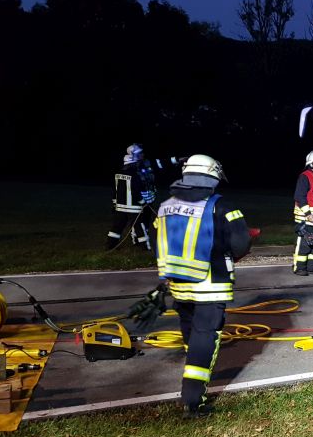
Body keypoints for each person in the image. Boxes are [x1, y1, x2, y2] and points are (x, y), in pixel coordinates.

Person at [153, 154, 251, 417]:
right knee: (204, 340)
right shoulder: (222, 206)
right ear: (212, 177)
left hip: (178, 285)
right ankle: (193, 400)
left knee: (191, 338)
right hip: (211, 285)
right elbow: (241, 244)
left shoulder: (165, 206)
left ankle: (193, 380)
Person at [106, 143, 159, 250]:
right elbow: (136, 191)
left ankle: (110, 246)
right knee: (140, 226)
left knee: (117, 227)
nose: (142, 155)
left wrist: (114, 204)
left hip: (120, 206)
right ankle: (144, 247)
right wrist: (142, 202)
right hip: (134, 207)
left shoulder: (119, 172)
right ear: (134, 156)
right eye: (140, 154)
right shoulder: (136, 174)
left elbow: (115, 190)